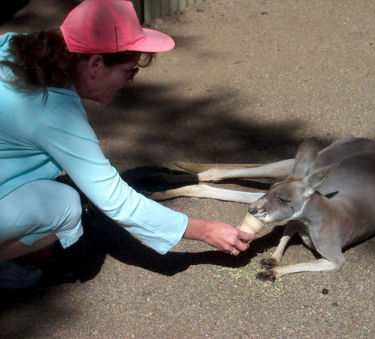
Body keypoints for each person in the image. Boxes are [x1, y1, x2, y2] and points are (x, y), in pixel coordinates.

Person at [0, 0, 254, 289]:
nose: (130, 81)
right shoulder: (54, 112)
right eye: (130, 70)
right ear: (96, 63)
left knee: (53, 212)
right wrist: (205, 229)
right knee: (65, 206)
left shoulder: (15, 48)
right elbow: (116, 200)